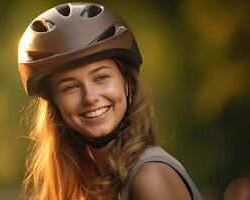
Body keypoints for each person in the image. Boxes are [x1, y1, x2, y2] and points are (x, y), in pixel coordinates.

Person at [17, 2, 202, 200]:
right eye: (70, 87)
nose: (90, 97)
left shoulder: (149, 177)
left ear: (128, 83)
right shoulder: (91, 182)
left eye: (101, 77)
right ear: (55, 104)